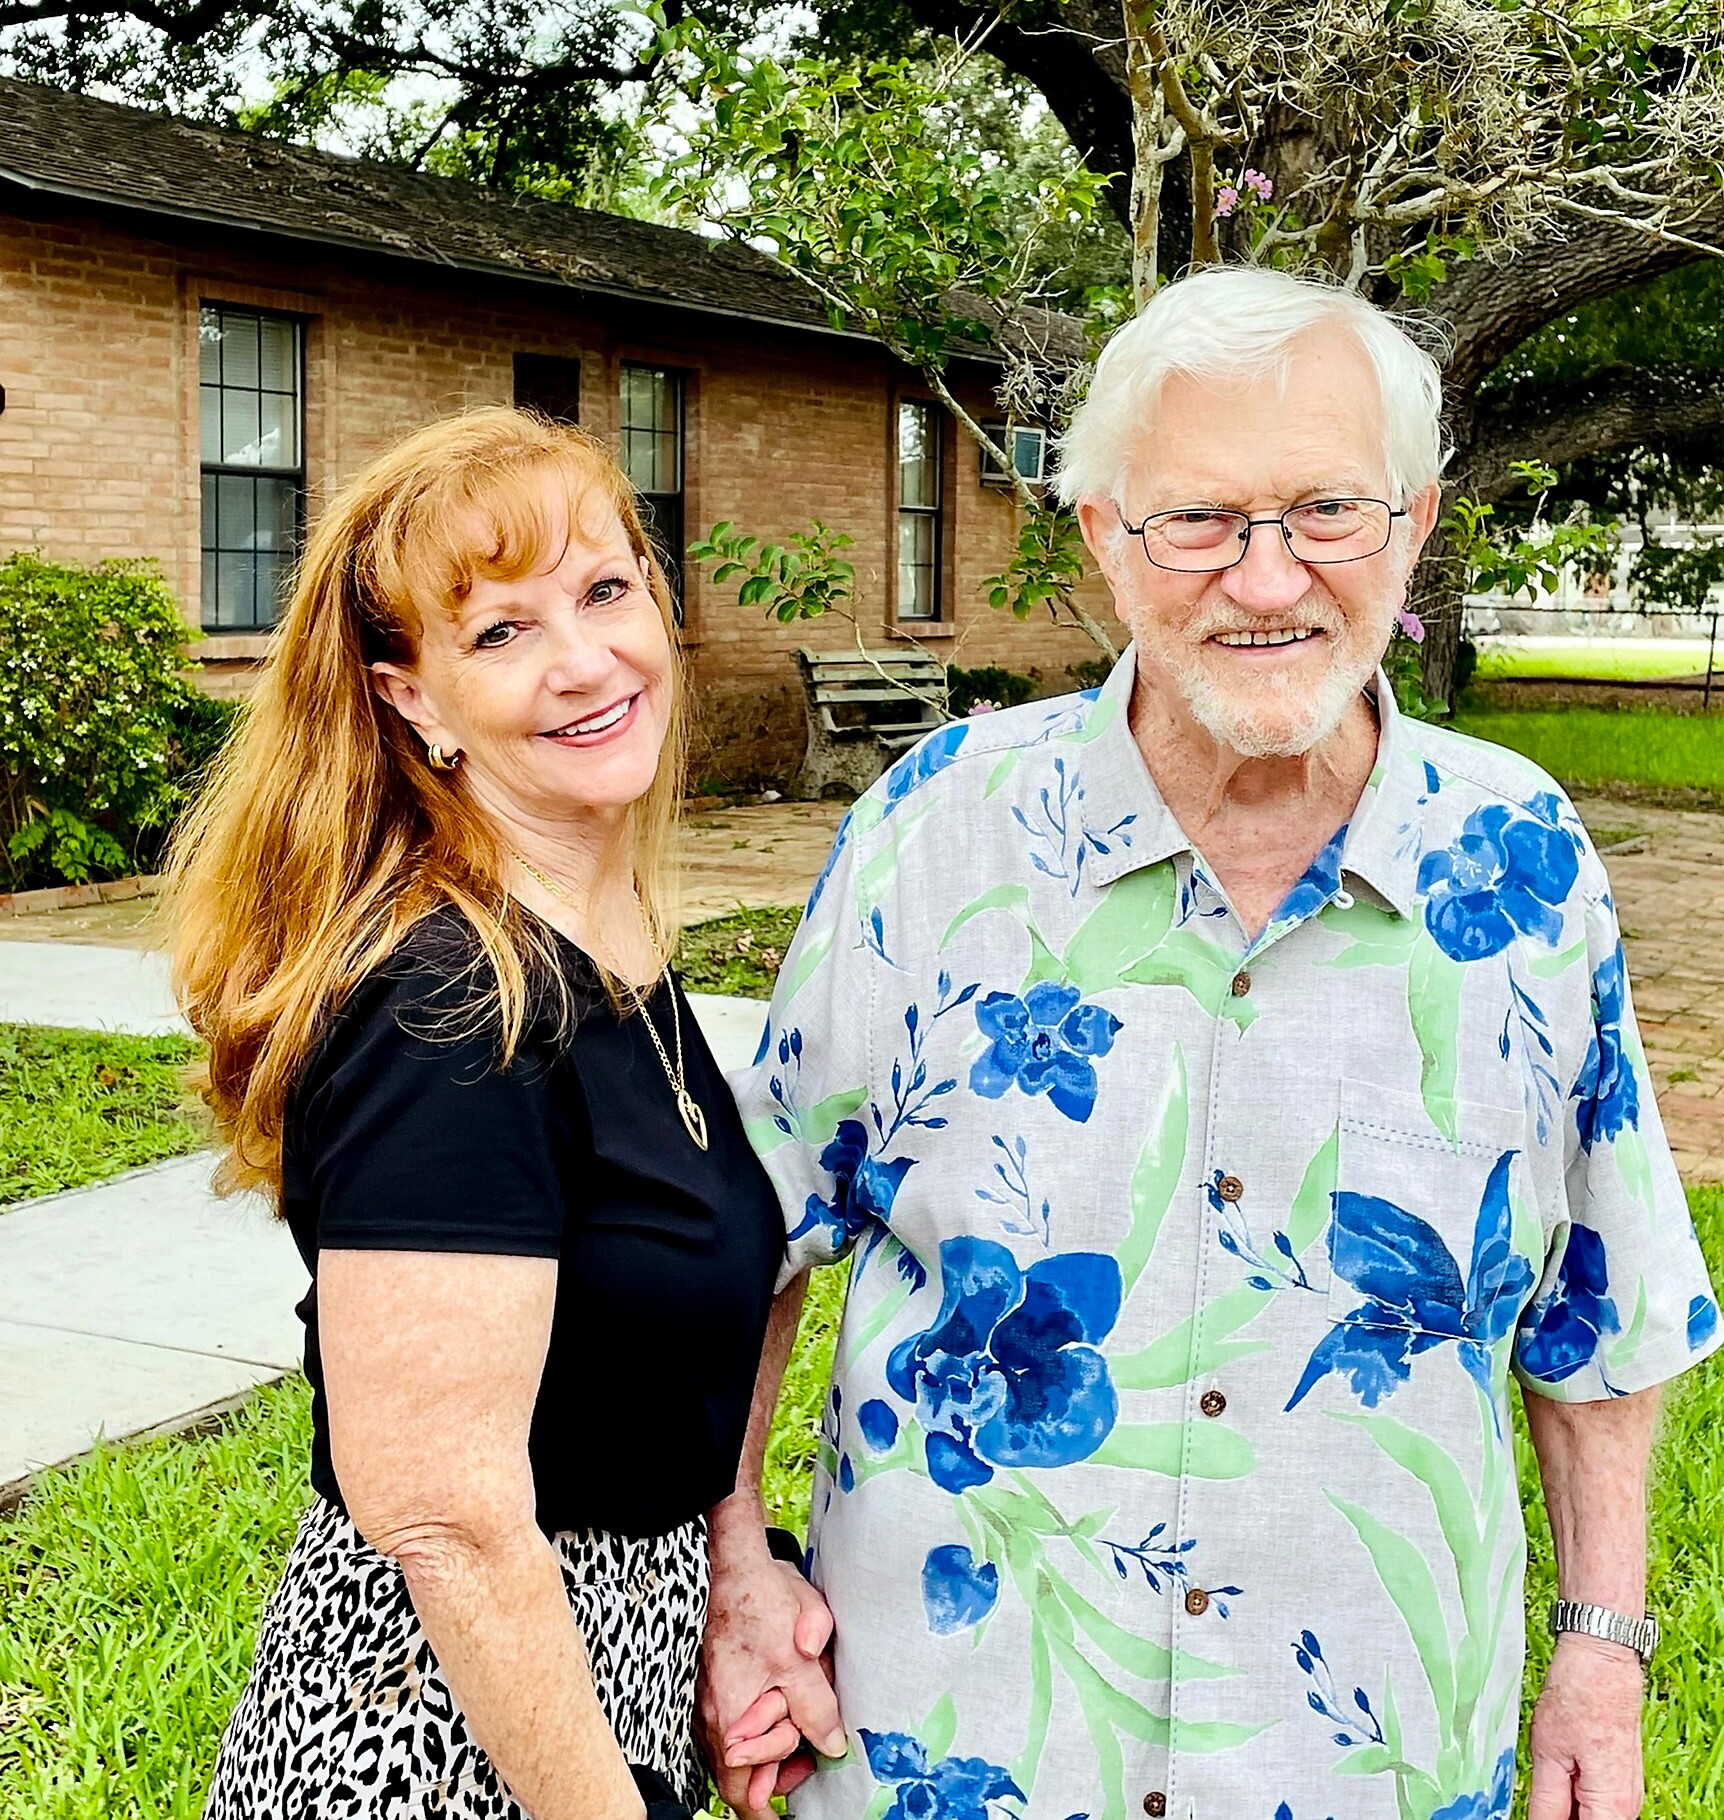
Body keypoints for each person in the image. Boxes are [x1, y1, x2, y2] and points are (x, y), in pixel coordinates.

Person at [703, 268, 1721, 1820]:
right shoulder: (937, 830)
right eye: (1199, 519)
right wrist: (734, 1568)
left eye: (1327, 510)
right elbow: (744, 1235)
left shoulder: (1518, 860)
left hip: (1368, 1761)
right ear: (1105, 535)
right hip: (955, 1754)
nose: (1267, 578)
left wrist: (1601, 1649)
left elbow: (1600, 1305)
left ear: (1413, 525)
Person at [167, 407, 789, 1820]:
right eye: (502, 632)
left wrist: (732, 1569)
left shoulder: (603, 940)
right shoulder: (448, 1007)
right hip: (437, 1752)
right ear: (415, 702)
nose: (584, 661)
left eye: (604, 590)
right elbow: (447, 1523)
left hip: (592, 1702)